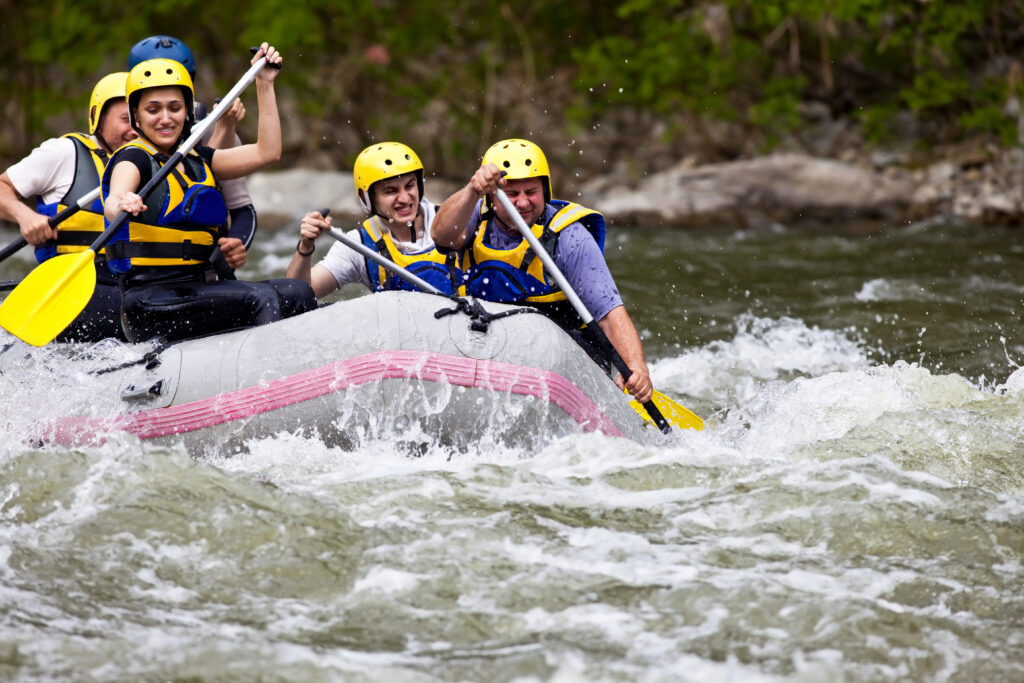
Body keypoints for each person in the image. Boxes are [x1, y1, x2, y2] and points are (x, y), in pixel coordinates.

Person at [101, 44, 316, 343]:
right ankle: (270, 381)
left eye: (174, 108)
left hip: (196, 289)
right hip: (149, 301)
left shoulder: (198, 157)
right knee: (260, 297)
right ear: (136, 116)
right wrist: (122, 202)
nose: (165, 118)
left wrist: (265, 84)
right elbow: (113, 200)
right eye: (153, 110)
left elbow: (268, 152)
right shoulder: (133, 158)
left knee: (299, 292)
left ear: (187, 111)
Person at [430, 138, 654, 403]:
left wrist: (637, 367)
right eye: (512, 194)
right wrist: (471, 190)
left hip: (564, 363)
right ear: (493, 196)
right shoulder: (475, 215)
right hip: (491, 354)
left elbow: (608, 313)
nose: (523, 202)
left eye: (531, 191)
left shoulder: (569, 237)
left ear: (545, 190)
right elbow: (441, 237)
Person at [0, 71, 137, 341]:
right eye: (125, 119)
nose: (134, 128)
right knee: (136, 310)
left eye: (139, 119)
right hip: (75, 286)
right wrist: (25, 216)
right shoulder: (65, 152)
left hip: (134, 282)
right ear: (98, 117)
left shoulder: (152, 163)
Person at [128, 35, 257, 279]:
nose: (165, 117)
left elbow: (242, 210)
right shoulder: (124, 135)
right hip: (144, 274)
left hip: (200, 270)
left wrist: (230, 249)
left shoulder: (208, 127)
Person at [286, 141, 460, 298]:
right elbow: (298, 294)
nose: (405, 198)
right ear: (368, 198)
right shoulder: (359, 245)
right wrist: (305, 246)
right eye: (391, 191)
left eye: (409, 186)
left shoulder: (456, 219)